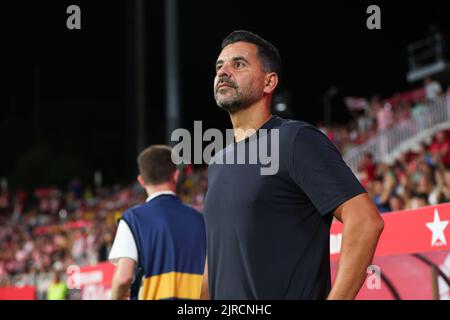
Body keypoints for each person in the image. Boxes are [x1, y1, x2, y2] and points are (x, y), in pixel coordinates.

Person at [202, 30, 384, 300]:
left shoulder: (296, 140)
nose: (223, 72)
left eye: (238, 64)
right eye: (219, 66)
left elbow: (366, 221)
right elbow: (216, 258)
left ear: (269, 82)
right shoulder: (218, 161)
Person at [109, 145, 206, 300]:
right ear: (175, 175)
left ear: (141, 181)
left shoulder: (133, 219)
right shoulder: (200, 220)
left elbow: (123, 277)